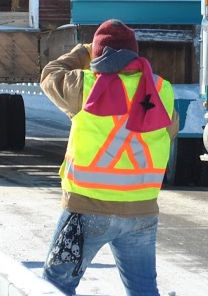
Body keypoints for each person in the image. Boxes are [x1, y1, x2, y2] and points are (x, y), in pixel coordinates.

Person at [39, 19, 177, 296]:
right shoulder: (161, 89)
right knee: (143, 291)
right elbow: (170, 131)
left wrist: (83, 52)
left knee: (55, 287)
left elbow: (49, 75)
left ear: (98, 56)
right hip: (141, 211)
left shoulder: (85, 85)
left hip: (86, 209)